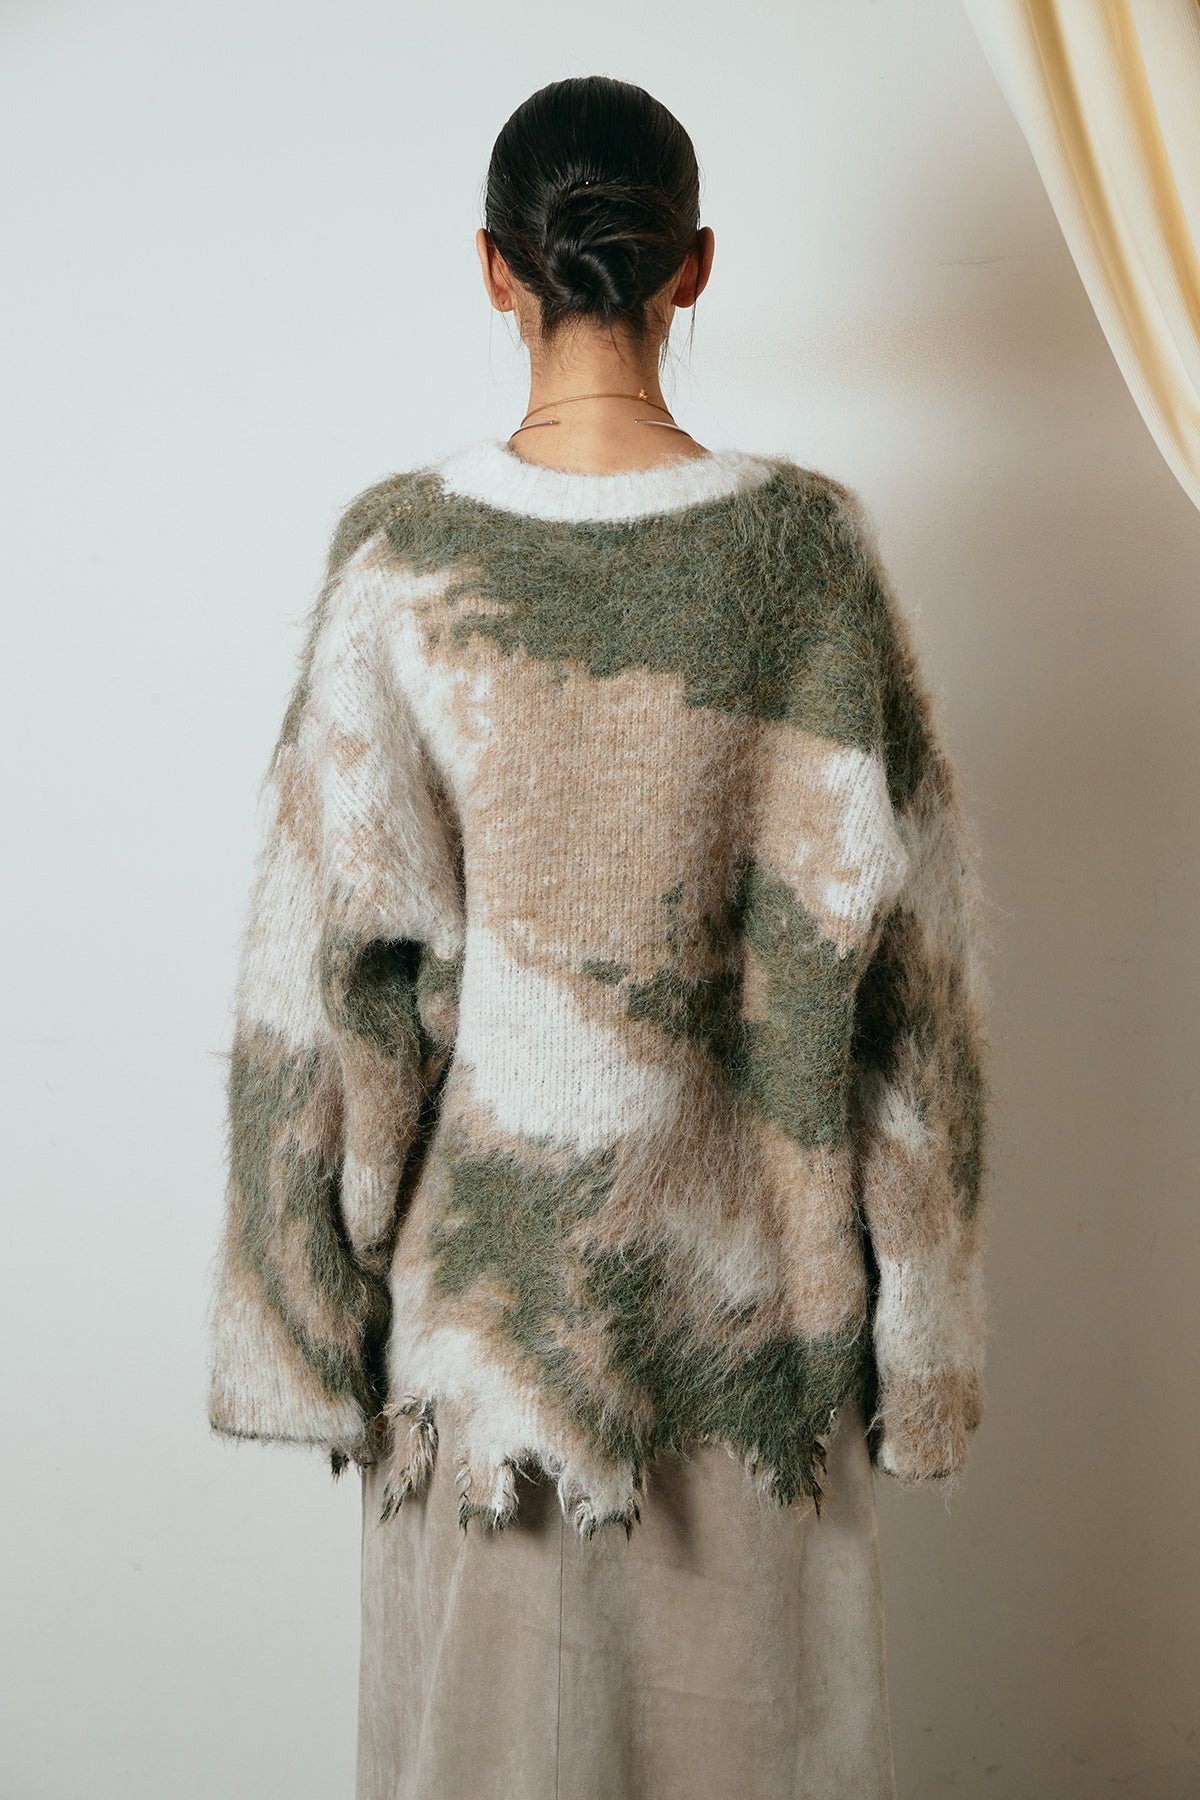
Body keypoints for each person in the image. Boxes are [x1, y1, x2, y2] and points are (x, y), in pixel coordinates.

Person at [206, 73, 992, 1800]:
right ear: (691, 266)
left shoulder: (399, 564)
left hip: (487, 1357)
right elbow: (906, 1001)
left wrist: (316, 1311)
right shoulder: (809, 560)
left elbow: (336, 980)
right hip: (753, 1333)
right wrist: (920, 1339)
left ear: (495, 269)